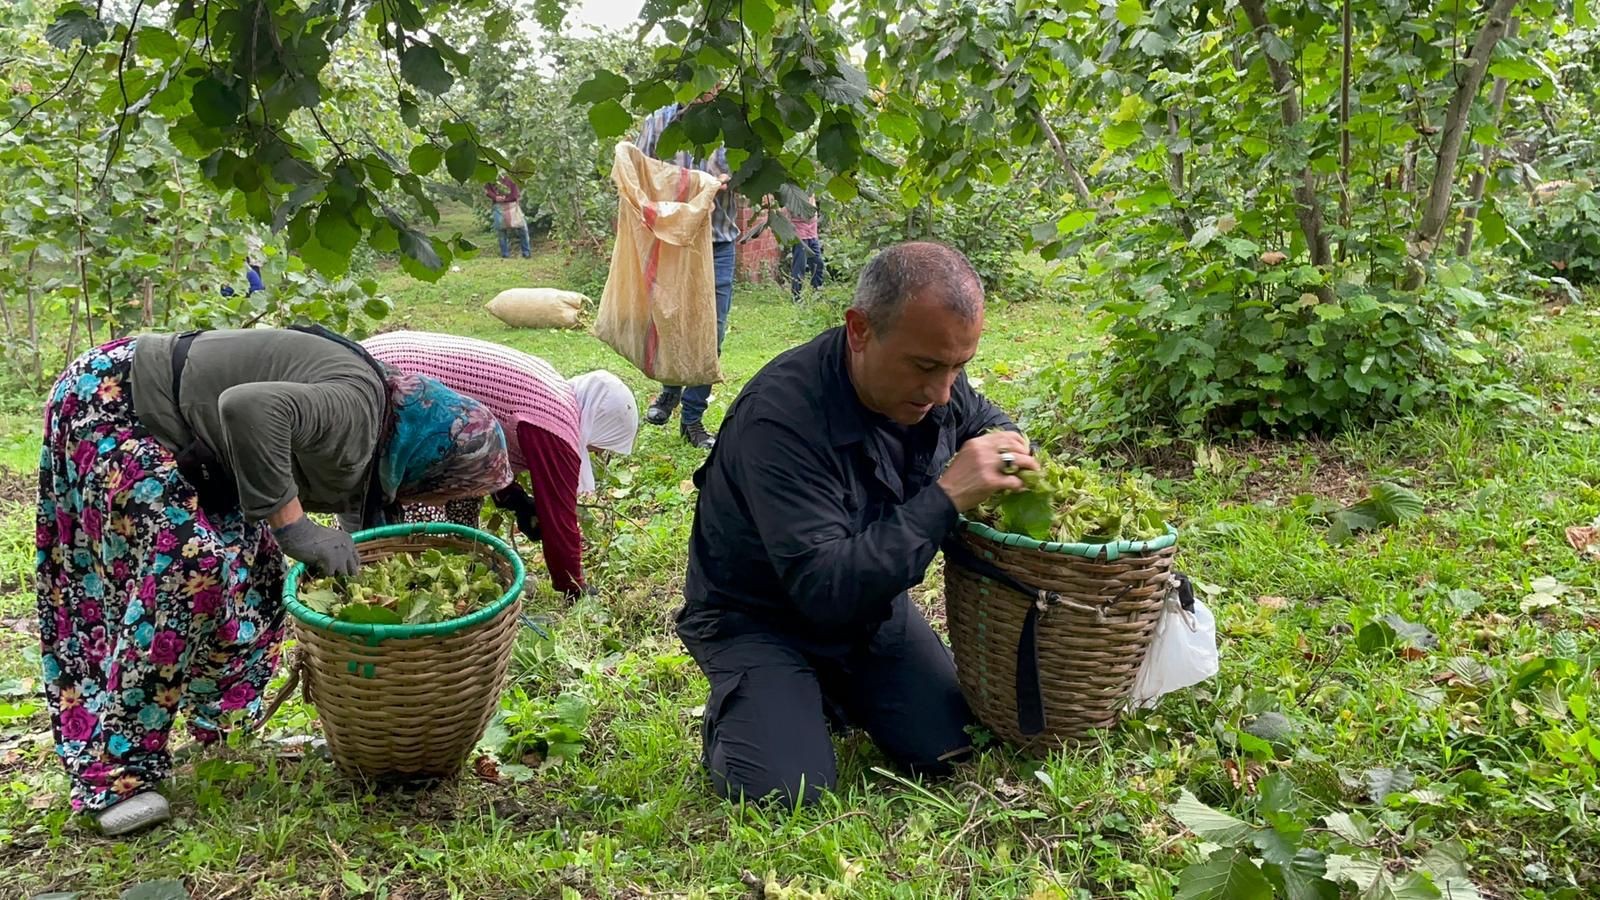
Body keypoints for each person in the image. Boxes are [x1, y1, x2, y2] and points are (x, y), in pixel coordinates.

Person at [35, 327, 511, 836]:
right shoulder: (356, 411)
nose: (435, 500)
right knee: (192, 570)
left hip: (207, 447)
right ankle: (117, 777)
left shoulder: (385, 439)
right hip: (117, 400)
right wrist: (294, 526)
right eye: (443, 487)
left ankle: (224, 724)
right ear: (430, 458)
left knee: (260, 577)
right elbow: (248, 408)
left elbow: (360, 530)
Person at [676, 242, 1037, 808]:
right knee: (785, 793)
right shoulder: (781, 418)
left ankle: (826, 694)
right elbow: (822, 587)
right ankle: (752, 702)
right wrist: (947, 497)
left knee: (950, 747)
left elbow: (984, 417)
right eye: (925, 367)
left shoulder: (933, 375)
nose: (942, 392)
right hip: (760, 617)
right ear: (860, 329)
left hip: (869, 608)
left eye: (957, 368)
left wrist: (1011, 448)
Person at [361, 331, 639, 599]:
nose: (594, 452)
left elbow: (488, 449)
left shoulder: (554, 395)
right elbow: (559, 519)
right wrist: (573, 586)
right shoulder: (556, 425)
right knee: (418, 505)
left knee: (463, 491)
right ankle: (396, 581)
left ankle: (459, 563)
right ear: (601, 425)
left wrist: (515, 500)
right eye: (599, 446)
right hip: (388, 379)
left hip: (386, 361)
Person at [635, 93, 739, 450]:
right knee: (669, 323)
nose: (703, 91)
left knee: (711, 332)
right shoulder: (657, 123)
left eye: (712, 81)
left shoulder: (732, 124)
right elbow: (640, 175)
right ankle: (669, 392)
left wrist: (727, 181)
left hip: (717, 245)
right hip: (671, 244)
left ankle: (692, 418)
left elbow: (748, 174)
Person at [787, 195, 824, 303]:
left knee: (818, 264)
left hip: (812, 235)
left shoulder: (811, 193)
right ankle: (796, 297)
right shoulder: (794, 195)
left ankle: (817, 292)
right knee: (799, 268)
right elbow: (792, 212)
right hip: (800, 236)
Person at [486, 174, 531, 259]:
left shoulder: (496, 177)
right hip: (503, 205)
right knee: (514, 229)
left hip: (506, 205)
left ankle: (509, 254)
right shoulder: (493, 178)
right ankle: (523, 253)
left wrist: (497, 198)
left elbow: (487, 191)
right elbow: (487, 191)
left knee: (509, 230)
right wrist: (496, 197)